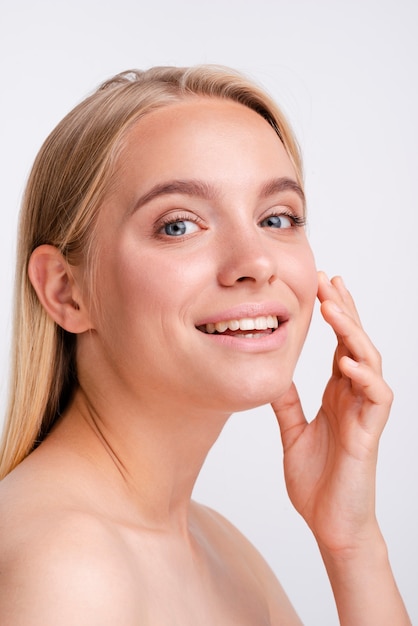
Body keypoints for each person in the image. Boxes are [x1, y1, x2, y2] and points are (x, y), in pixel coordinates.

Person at [0, 65, 411, 625]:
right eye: (178, 226)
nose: (255, 262)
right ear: (66, 291)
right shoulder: (68, 566)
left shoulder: (219, 548)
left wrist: (352, 542)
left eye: (277, 217)